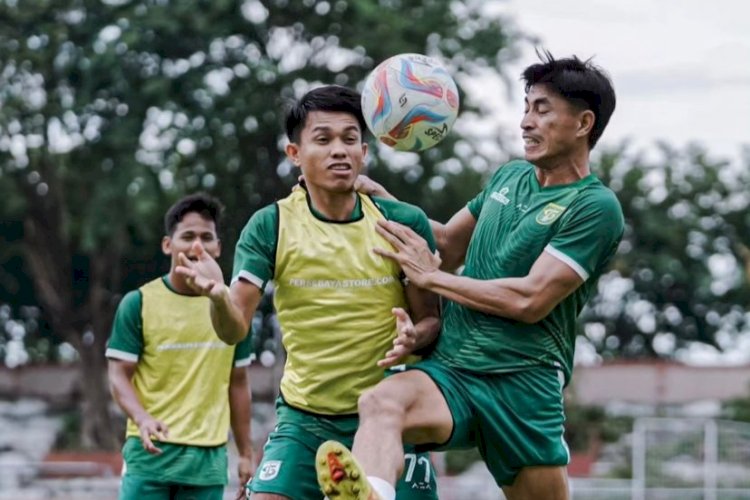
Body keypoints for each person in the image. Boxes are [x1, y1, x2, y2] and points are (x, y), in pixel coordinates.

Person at [314, 52, 623, 500]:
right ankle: (373, 495)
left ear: (583, 123)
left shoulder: (595, 207)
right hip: (454, 370)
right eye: (525, 107)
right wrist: (381, 198)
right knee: (380, 403)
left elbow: (529, 300)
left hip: (524, 382)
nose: (525, 122)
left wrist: (434, 279)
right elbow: (443, 245)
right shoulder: (507, 178)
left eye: (542, 110)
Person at [175, 85, 442, 500]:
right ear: (295, 154)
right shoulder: (271, 226)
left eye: (350, 139)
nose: (340, 150)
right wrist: (215, 296)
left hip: (389, 417)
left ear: (365, 152)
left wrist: (415, 335)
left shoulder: (401, 222)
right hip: (305, 419)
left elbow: (432, 321)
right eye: (324, 139)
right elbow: (234, 329)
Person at [107, 193, 254, 500]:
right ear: (167, 245)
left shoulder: (232, 309)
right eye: (187, 236)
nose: (197, 246)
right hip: (150, 456)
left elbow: (238, 384)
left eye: (206, 238)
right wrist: (142, 418)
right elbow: (119, 375)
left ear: (218, 248)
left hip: (207, 463)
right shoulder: (139, 303)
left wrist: (245, 453)